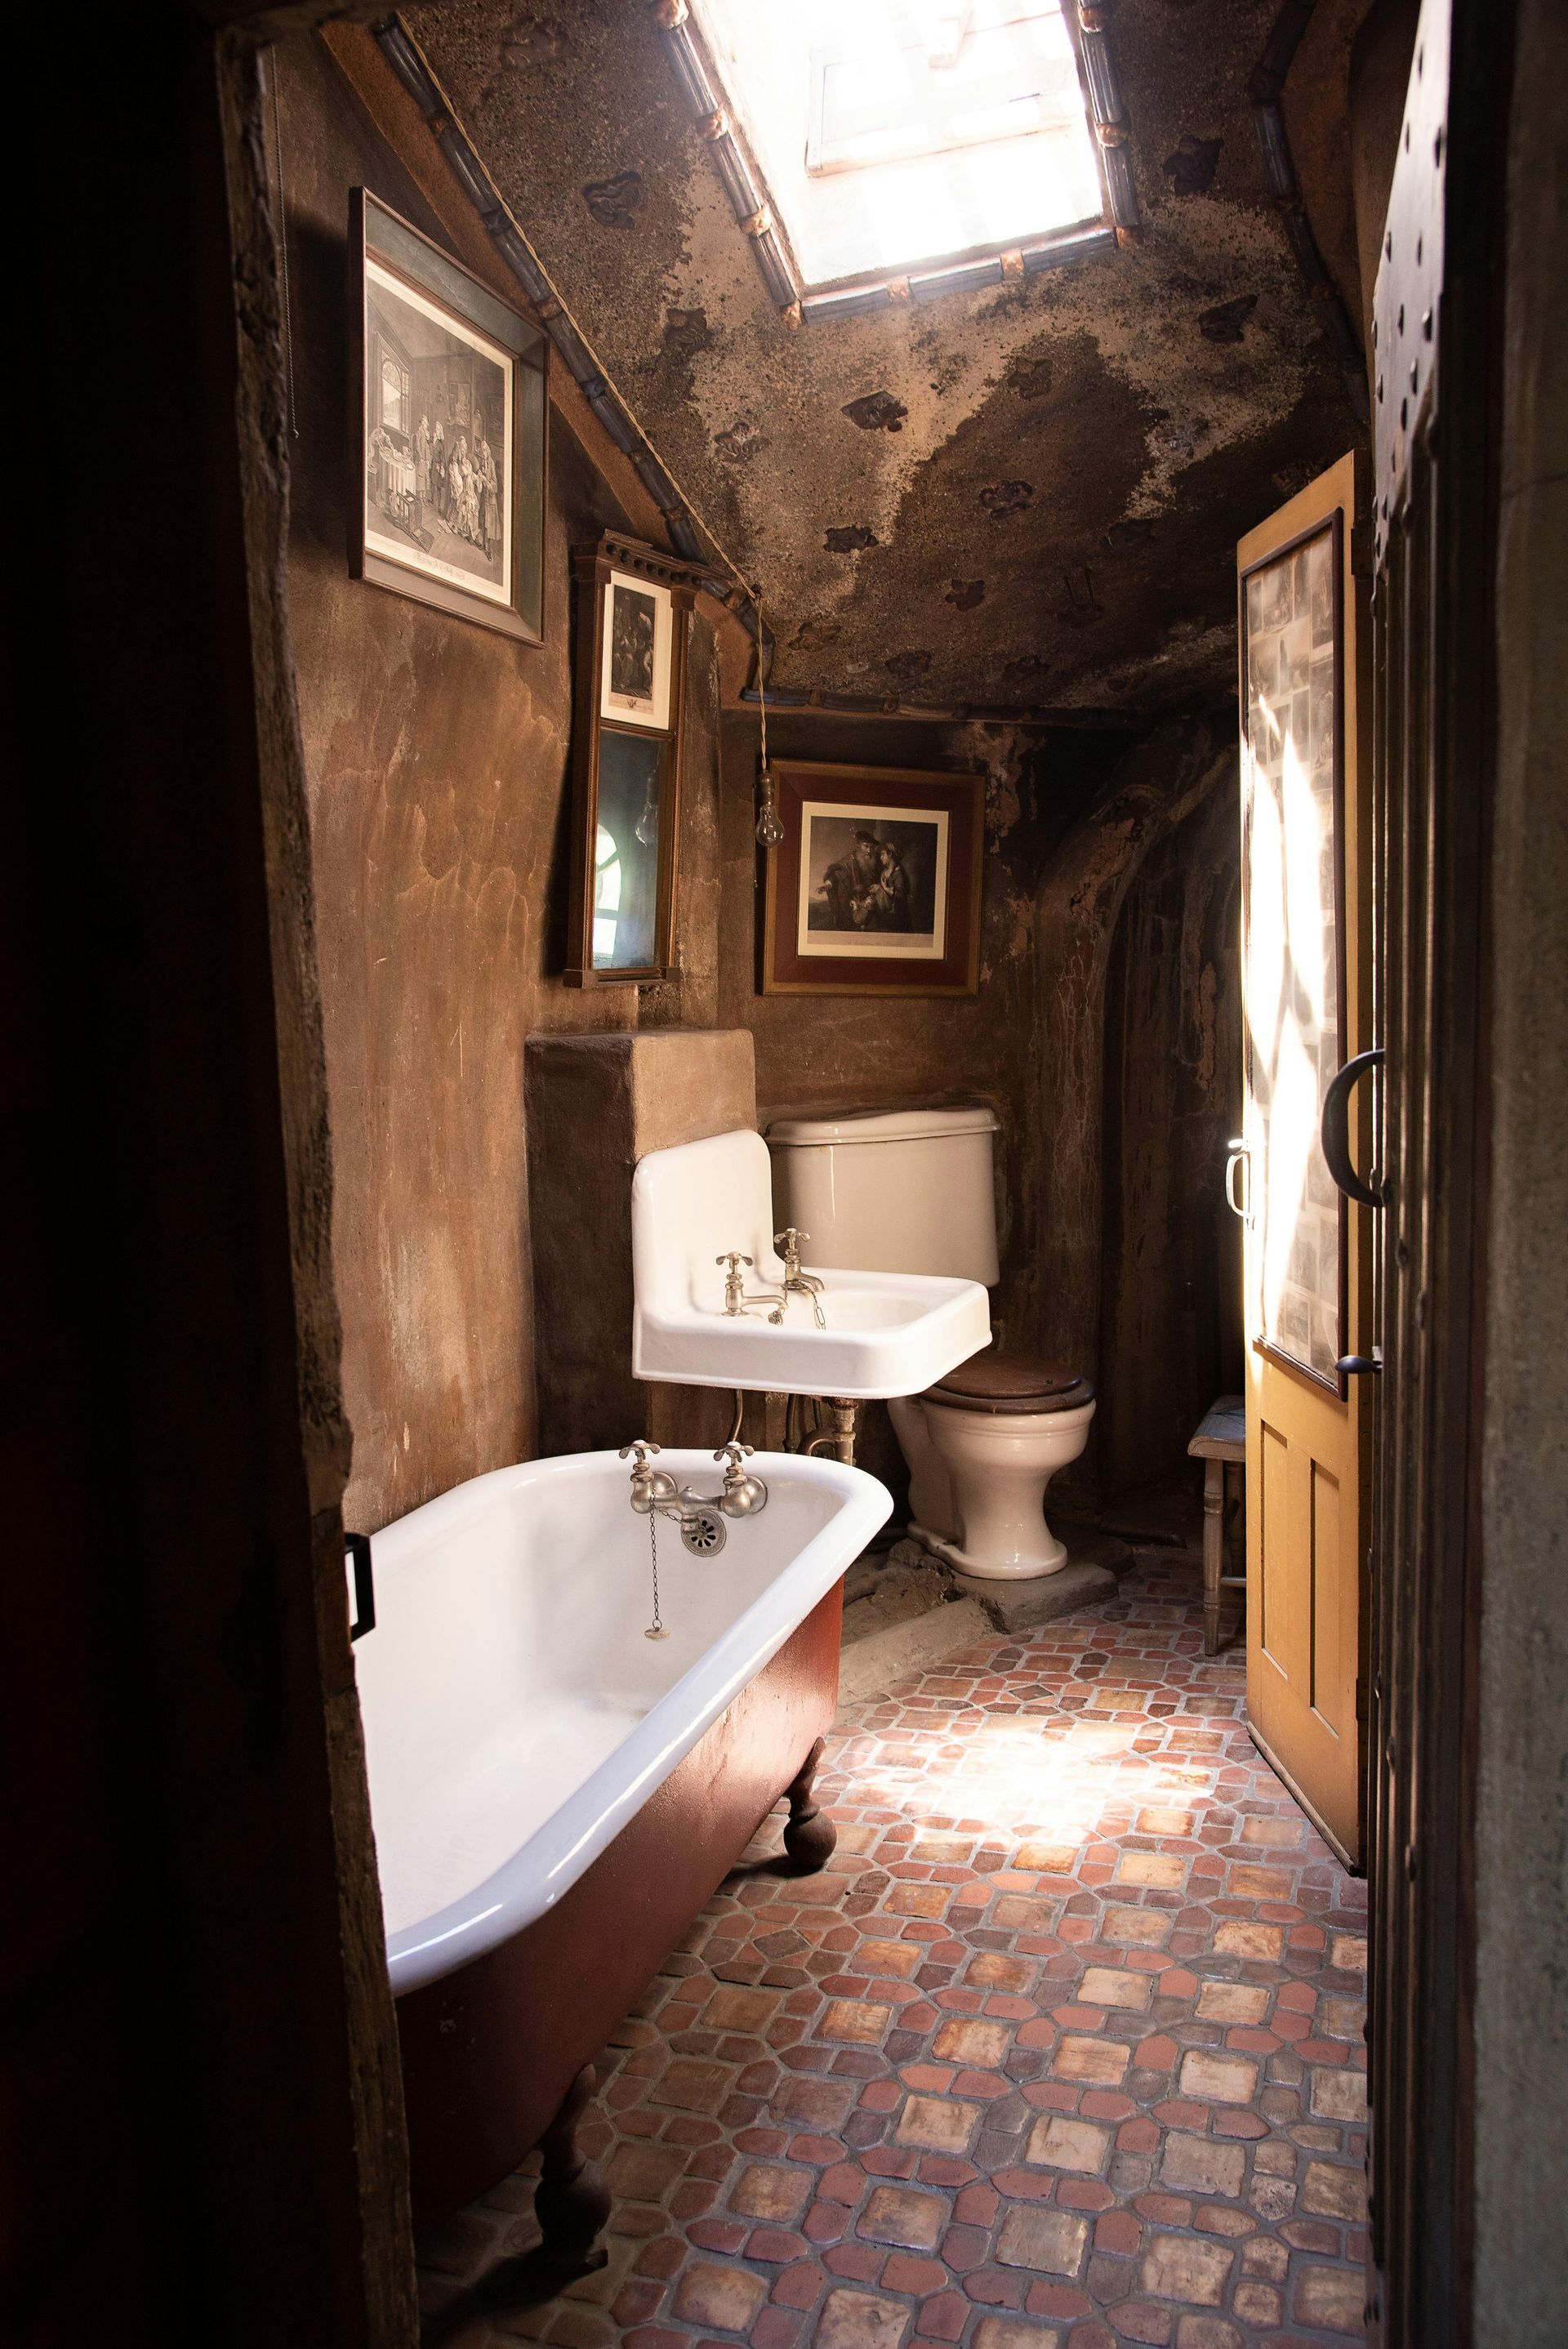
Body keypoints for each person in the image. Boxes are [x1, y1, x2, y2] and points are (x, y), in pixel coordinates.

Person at [477, 430, 500, 561]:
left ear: (487, 451)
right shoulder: (483, 462)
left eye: (484, 452)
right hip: (484, 498)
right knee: (483, 521)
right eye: (482, 452)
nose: (483, 454)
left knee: (490, 525)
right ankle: (483, 544)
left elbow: (494, 484)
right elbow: (481, 473)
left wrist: (486, 481)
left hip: (490, 500)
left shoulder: (490, 463)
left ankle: (489, 549)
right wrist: (480, 474)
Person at [416, 412, 432, 503]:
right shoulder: (419, 431)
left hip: (427, 458)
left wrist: (428, 459)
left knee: (426, 478)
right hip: (422, 457)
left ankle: (425, 498)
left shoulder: (427, 432)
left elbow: (428, 445)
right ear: (422, 423)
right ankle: (421, 498)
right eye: (424, 423)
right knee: (421, 479)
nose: (425, 424)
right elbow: (417, 445)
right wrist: (421, 457)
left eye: (426, 423)